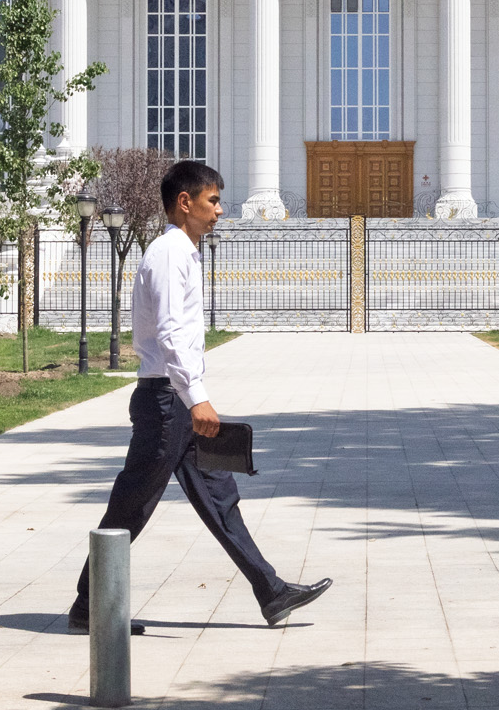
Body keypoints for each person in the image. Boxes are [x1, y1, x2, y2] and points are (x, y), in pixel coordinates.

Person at [68, 159, 330, 632]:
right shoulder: (169, 253)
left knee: (220, 497)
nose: (220, 210)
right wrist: (196, 398)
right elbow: (170, 332)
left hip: (175, 400)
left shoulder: (183, 252)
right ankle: (89, 606)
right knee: (133, 503)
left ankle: (271, 592)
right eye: (213, 201)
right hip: (167, 402)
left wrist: (193, 397)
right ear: (185, 202)